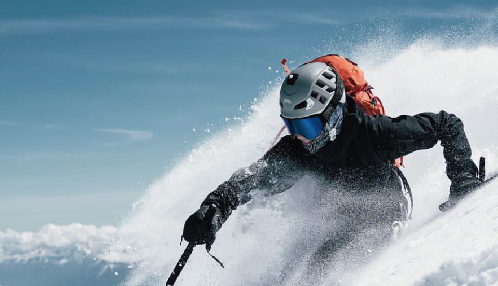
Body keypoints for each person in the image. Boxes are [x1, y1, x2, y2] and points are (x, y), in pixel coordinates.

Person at [182, 61, 482, 249]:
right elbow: (249, 179)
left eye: (309, 125)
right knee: (308, 270)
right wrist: (213, 208)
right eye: (292, 125)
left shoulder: (376, 134)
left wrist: (463, 181)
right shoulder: (297, 150)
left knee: (355, 256)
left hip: (389, 209)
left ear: (333, 112)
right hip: (338, 221)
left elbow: (447, 124)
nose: (300, 136)